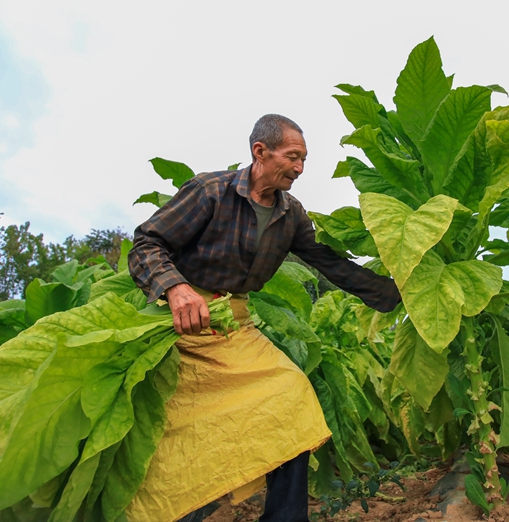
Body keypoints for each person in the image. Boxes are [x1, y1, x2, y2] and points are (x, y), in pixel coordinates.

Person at [126, 114, 400, 522]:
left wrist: (399, 292)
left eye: (304, 159)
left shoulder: (291, 214)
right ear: (260, 151)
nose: (300, 168)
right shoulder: (211, 191)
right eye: (293, 157)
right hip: (179, 325)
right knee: (182, 433)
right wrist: (175, 288)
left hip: (233, 324)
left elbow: (329, 261)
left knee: (290, 395)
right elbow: (147, 242)